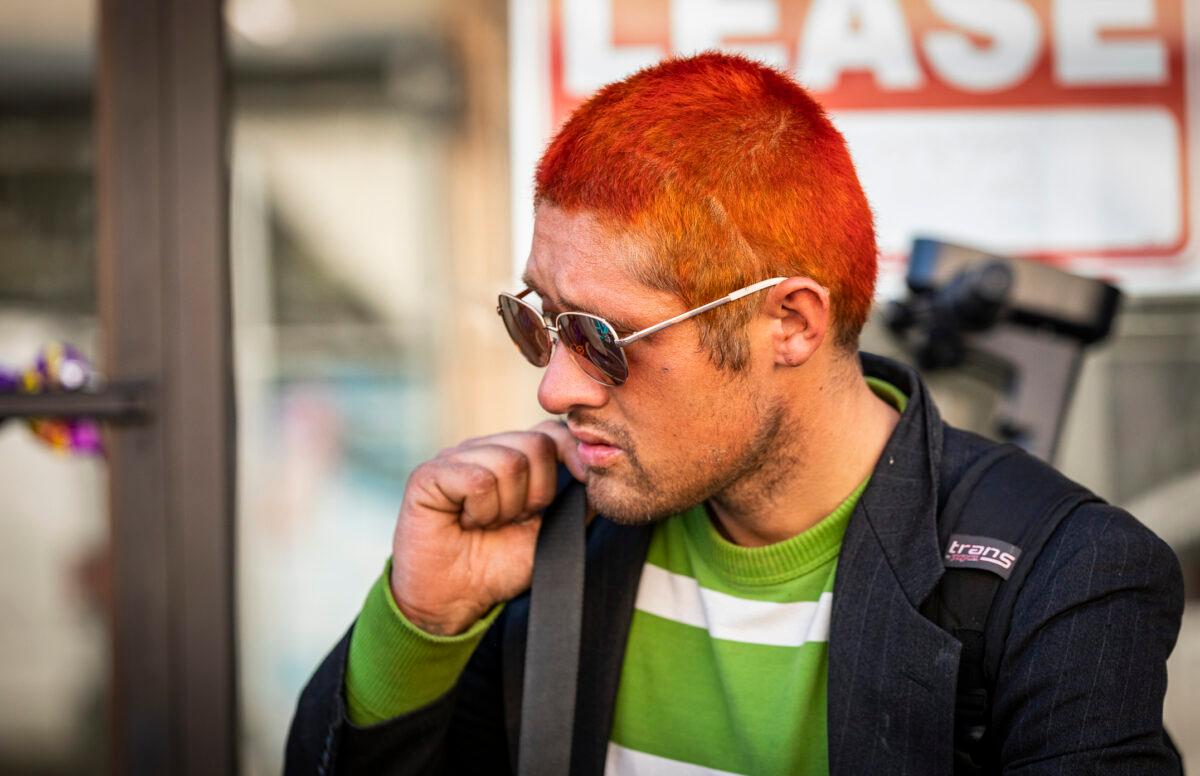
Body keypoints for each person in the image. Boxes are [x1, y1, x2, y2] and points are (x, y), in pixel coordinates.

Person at [285, 53, 1183, 775]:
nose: (555, 389)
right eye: (539, 321)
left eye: (601, 336)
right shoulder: (549, 529)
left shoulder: (1063, 577)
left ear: (788, 323)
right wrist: (420, 624)